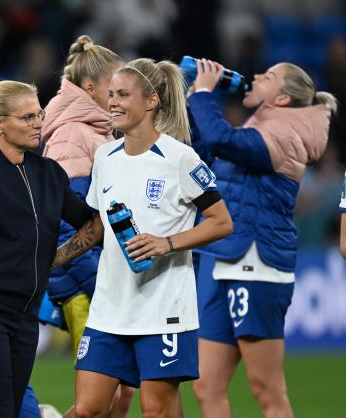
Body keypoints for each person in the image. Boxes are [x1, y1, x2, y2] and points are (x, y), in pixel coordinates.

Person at [53, 59, 232, 418]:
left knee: (156, 411)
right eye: (111, 95)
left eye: (123, 95)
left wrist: (166, 243)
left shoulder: (179, 157)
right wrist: (52, 260)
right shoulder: (105, 156)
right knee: (88, 409)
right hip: (110, 307)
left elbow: (221, 222)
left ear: (150, 101)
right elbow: (98, 227)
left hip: (163, 309)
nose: (113, 102)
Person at [188, 60, 336, 418]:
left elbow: (221, 139)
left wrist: (206, 93)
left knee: (266, 388)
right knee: (206, 385)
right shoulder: (263, 125)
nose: (254, 77)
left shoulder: (287, 133)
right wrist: (193, 101)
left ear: (283, 99)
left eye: (267, 77)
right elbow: (209, 152)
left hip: (257, 259)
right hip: (224, 256)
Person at [0, 80, 99, 418]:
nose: (37, 124)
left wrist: (58, 258)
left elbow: (91, 223)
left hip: (27, 316)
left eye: (38, 115)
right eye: (26, 118)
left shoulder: (49, 172)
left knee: (8, 410)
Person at [41, 34, 134, 418]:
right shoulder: (70, 135)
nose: (118, 97)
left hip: (103, 283)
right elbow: (66, 223)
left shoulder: (97, 132)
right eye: (114, 89)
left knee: (121, 395)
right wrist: (105, 285)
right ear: (91, 87)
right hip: (85, 287)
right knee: (99, 402)